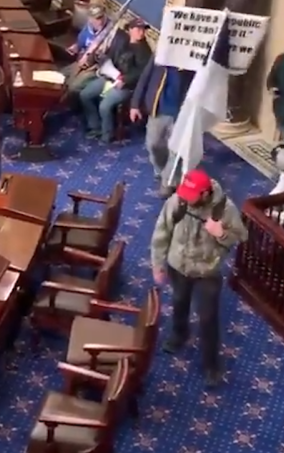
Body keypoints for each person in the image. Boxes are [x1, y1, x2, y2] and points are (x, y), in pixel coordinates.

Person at [151, 169, 247, 386]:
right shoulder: (178, 201)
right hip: (179, 265)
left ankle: (212, 365)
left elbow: (241, 237)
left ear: (205, 193)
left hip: (206, 271)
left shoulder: (225, 209)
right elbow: (162, 232)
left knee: (207, 318)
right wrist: (158, 263)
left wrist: (220, 233)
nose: (186, 199)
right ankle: (179, 334)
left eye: (191, 196)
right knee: (179, 301)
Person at [130, 58, 195, 198]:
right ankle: (162, 171)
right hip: (158, 110)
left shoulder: (194, 58)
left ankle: (168, 181)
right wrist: (135, 104)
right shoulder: (161, 52)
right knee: (153, 144)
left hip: (182, 113)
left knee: (176, 150)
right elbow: (144, 78)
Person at [79, 19, 152, 142]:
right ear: (130, 30)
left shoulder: (144, 51)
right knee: (85, 95)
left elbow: (142, 73)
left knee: (104, 106)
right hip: (111, 77)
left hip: (127, 85)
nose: (141, 33)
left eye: (143, 30)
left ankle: (107, 135)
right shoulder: (122, 42)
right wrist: (103, 62)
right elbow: (110, 56)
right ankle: (95, 126)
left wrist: (125, 80)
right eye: (138, 29)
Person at [60, 5, 109, 98]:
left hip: (95, 67)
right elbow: (80, 43)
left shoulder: (109, 31)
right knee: (60, 75)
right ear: (90, 19)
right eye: (97, 18)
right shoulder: (88, 27)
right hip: (81, 61)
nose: (100, 21)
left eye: (102, 17)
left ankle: (72, 107)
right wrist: (76, 47)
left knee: (72, 86)